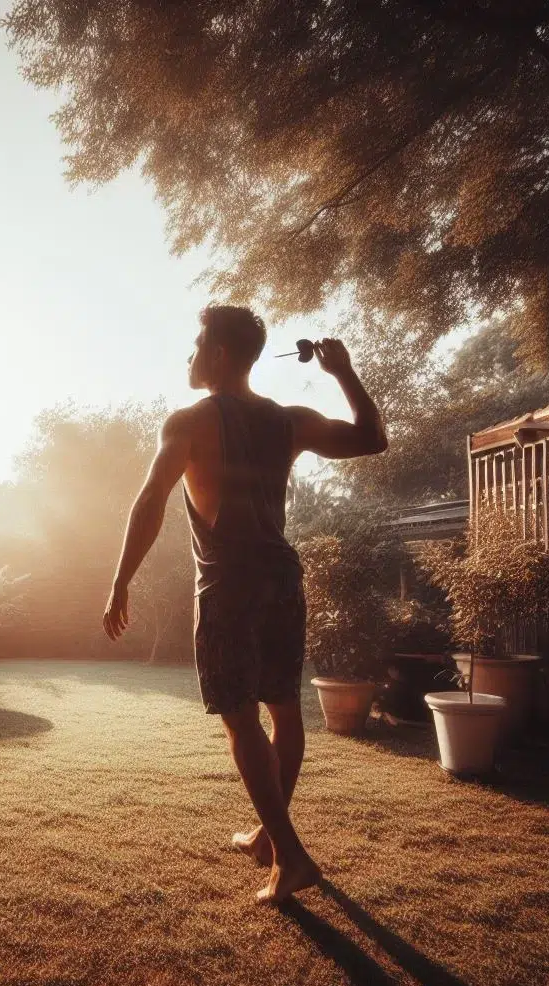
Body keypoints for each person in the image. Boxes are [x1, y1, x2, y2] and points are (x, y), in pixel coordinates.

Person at [102, 306, 387, 904]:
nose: (190, 356)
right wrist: (344, 371)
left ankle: (290, 858)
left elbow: (150, 499)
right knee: (283, 708)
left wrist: (121, 580)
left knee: (239, 717)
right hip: (282, 577)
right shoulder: (288, 421)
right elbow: (371, 437)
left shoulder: (188, 421)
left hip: (230, 583)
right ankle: (267, 835)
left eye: (195, 344)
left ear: (220, 355)